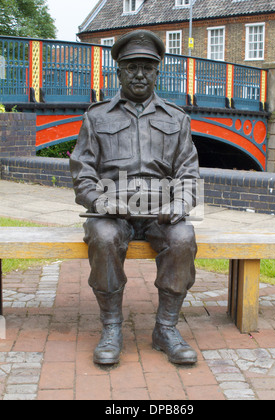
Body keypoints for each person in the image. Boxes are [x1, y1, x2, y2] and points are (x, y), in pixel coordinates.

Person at [70, 30, 200, 366]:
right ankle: (111, 327)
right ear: (118, 72)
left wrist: (181, 203)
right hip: (113, 211)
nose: (139, 74)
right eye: (131, 67)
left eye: (147, 67)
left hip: (161, 212)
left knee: (184, 237)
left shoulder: (177, 118)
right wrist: (98, 201)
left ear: (158, 72)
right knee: (104, 235)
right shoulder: (96, 117)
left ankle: (166, 328)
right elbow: (82, 171)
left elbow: (188, 172)